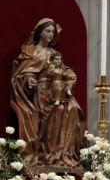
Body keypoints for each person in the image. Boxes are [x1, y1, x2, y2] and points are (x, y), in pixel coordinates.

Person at [10, 18, 84, 167]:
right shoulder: (30, 52)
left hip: (57, 91)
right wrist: (29, 80)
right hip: (40, 93)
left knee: (73, 108)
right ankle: (47, 153)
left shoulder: (54, 53)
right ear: (40, 32)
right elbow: (22, 73)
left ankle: (62, 154)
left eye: (52, 32)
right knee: (55, 111)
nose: (50, 34)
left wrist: (68, 81)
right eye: (47, 31)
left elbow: (64, 70)